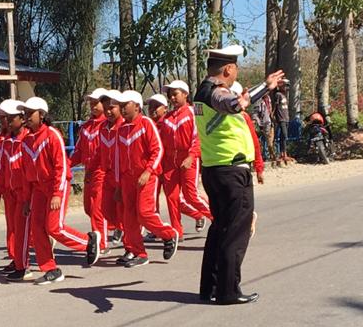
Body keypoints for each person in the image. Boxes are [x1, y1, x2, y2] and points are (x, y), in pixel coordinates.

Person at [193, 45, 283, 305]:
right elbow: (235, 104)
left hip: (214, 169)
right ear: (228, 69)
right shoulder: (216, 92)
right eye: (235, 70)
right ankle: (228, 291)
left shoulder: (202, 92)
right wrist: (265, 86)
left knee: (219, 230)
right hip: (232, 172)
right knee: (235, 232)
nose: (235, 74)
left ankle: (209, 287)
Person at [13, 96, 95, 285]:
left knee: (53, 227)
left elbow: (61, 167)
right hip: (38, 190)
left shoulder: (52, 135)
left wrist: (57, 193)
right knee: (37, 228)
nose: (26, 116)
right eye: (24, 112)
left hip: (56, 185)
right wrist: (26, 200)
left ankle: (87, 242)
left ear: (41, 115)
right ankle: (50, 269)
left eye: (30, 112)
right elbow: (26, 174)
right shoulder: (26, 141)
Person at [115, 90, 178, 268]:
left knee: (144, 213)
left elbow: (157, 150)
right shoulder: (122, 129)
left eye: (124, 105)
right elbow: (119, 159)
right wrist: (119, 184)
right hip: (127, 180)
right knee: (129, 217)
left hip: (146, 177)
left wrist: (148, 171)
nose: (122, 108)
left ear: (136, 106)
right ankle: (138, 253)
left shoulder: (146, 124)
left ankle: (168, 234)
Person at [160, 79, 212, 238]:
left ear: (185, 94)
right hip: (170, 161)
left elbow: (198, 137)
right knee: (172, 197)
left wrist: (191, 156)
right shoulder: (167, 118)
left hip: (188, 158)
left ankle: (217, 218)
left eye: (175, 94)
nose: (172, 98)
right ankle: (177, 230)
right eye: (170, 95)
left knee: (191, 195)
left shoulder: (193, 112)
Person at [0, 98, 30, 273]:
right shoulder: (4, 140)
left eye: (6, 118)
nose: (3, 121)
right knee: (12, 227)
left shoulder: (28, 138)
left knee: (23, 227)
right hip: (9, 190)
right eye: (1, 118)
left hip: (24, 191)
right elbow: (1, 167)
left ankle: (23, 262)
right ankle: (16, 258)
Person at [69, 89, 108, 261]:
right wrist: (67, 164)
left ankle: (101, 243)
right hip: (89, 172)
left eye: (96, 102)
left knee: (96, 208)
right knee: (88, 208)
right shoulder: (86, 127)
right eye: (91, 102)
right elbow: (79, 151)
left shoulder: (108, 125)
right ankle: (118, 226)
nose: (93, 105)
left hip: (102, 171)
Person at [97, 92, 125, 250]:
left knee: (123, 208)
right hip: (107, 174)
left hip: (122, 174)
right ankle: (120, 227)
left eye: (112, 108)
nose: (108, 111)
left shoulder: (123, 126)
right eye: (106, 108)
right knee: (106, 208)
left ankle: (131, 245)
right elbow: (99, 151)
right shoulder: (102, 127)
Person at [270, 79, 292, 166]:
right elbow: (275, 106)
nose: (286, 88)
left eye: (287, 86)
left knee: (284, 136)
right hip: (281, 118)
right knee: (284, 134)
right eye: (285, 86)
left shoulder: (284, 95)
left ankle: (284, 153)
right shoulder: (278, 95)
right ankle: (281, 153)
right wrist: (273, 115)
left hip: (286, 118)